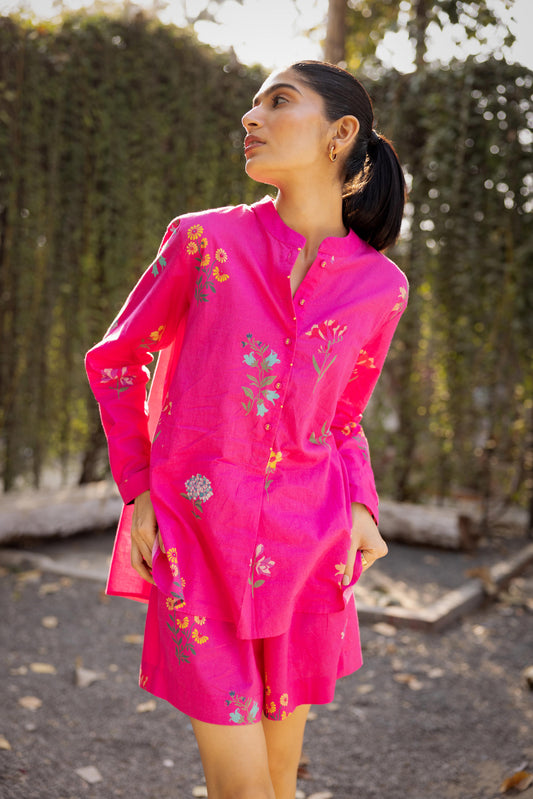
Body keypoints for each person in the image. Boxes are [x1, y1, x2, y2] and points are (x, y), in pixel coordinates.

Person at [86, 60, 408, 799]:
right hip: (195, 537)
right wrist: (140, 490)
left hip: (309, 548)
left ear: (340, 133)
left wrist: (362, 506)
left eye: (278, 101)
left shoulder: (381, 288)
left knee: (278, 782)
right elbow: (115, 362)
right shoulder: (203, 242)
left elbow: (343, 419)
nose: (250, 116)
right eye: (253, 102)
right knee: (242, 788)